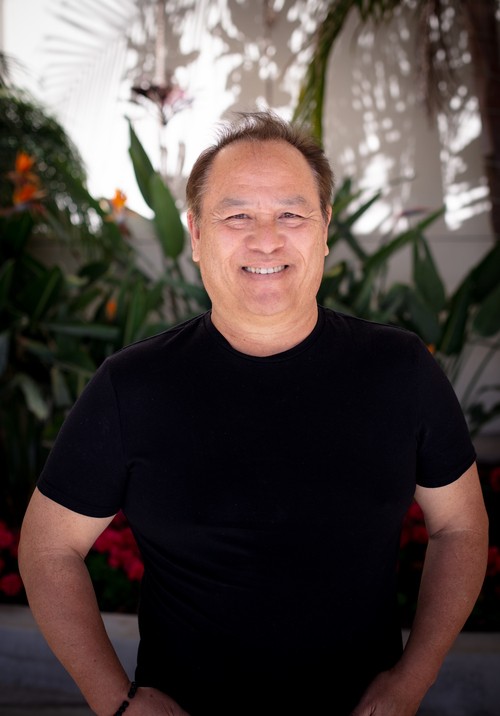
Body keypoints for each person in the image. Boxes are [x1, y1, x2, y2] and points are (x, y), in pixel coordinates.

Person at [19, 110, 488, 716]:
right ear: (195, 234)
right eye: (236, 216)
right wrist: (116, 702)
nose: (266, 240)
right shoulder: (131, 387)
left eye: (291, 215)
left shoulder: (400, 370)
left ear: (324, 229)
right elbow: (48, 548)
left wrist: (412, 679)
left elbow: (460, 528)